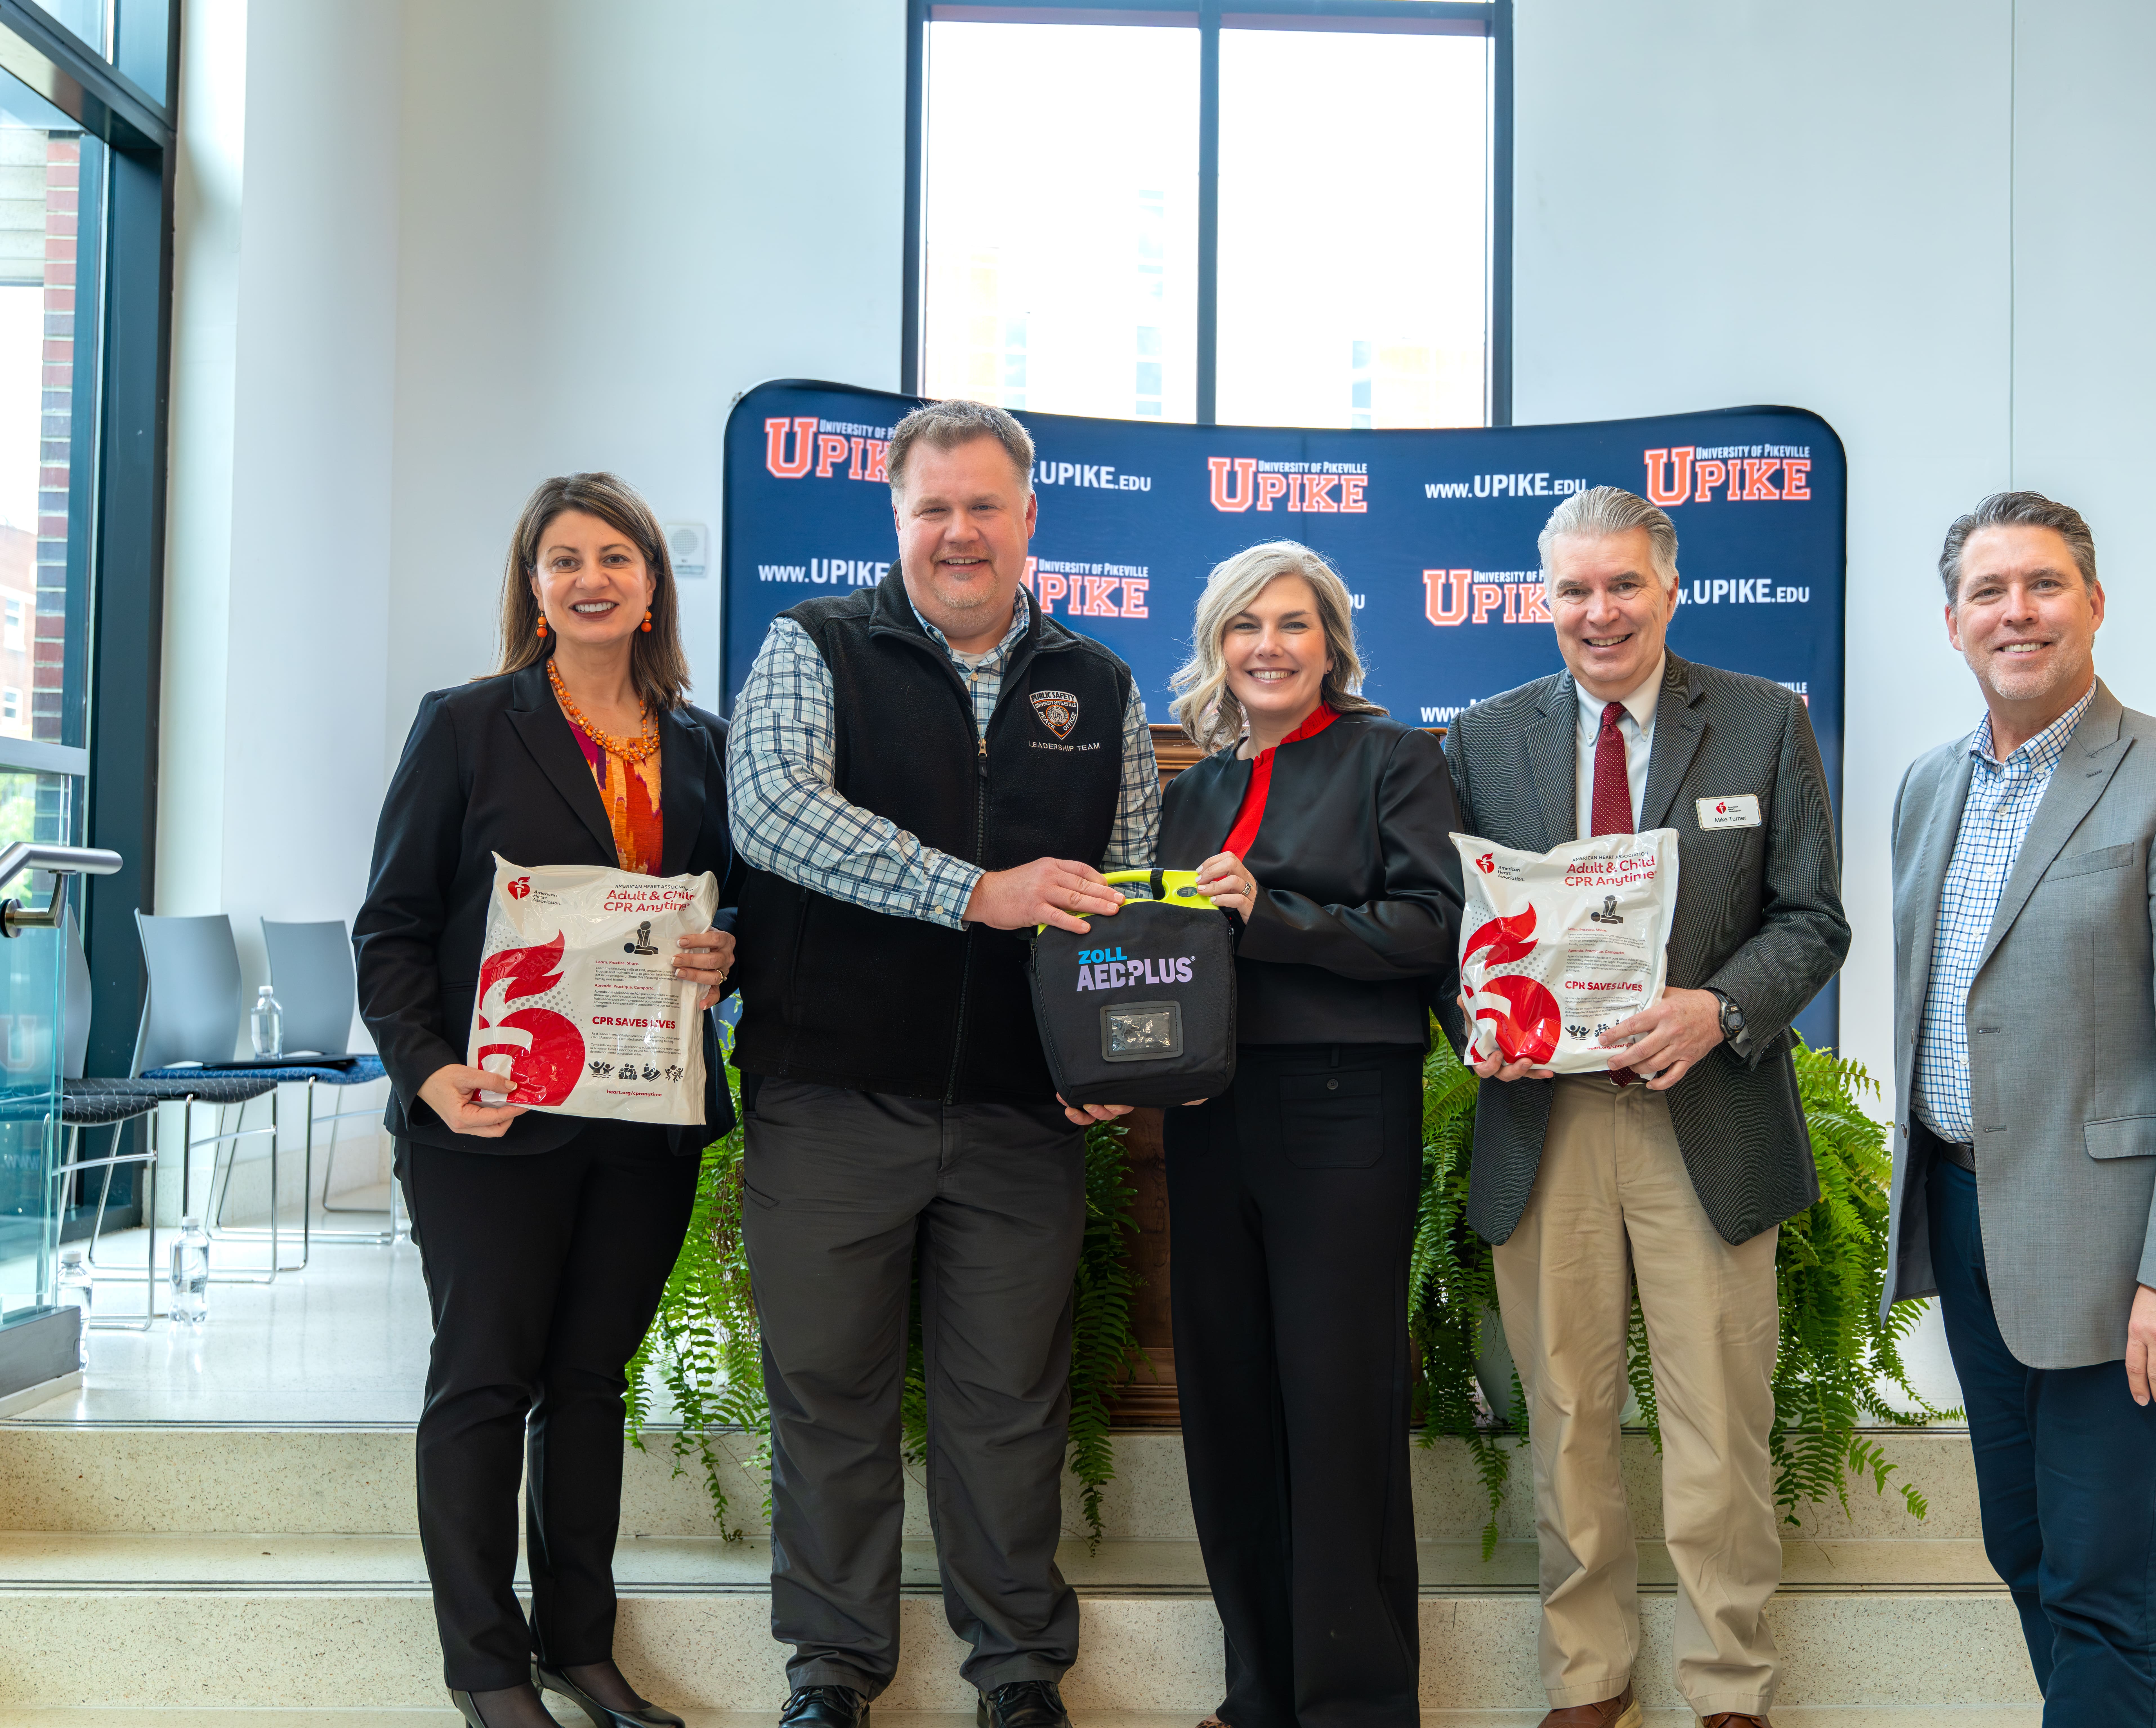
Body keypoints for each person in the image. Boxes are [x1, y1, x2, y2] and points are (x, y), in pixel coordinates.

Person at [725, 399, 1161, 1728]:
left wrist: (1114, 1052)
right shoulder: (813, 647)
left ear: (1032, 520)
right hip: (829, 1100)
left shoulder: (1099, 682)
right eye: (933, 508)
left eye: (984, 506)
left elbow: (1132, 888)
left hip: (1021, 1117)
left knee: (1009, 1406)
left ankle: (1019, 1668)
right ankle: (833, 1670)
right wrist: (977, 891)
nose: (959, 532)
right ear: (895, 517)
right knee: (829, 1398)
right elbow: (771, 809)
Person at [1441, 487, 1847, 1728]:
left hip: (1703, 1117)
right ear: (1543, 598)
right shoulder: (1484, 735)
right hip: (1543, 1124)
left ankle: (1728, 1681)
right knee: (1564, 1411)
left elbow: (1811, 918)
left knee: (1717, 1413)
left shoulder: (1766, 721)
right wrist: (1476, 1024)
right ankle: (1589, 1676)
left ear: (1671, 589)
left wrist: (1717, 1009)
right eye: (1573, 589)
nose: (1598, 612)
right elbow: (1447, 934)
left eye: (1622, 585)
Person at [1883, 490, 2156, 1724]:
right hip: (1966, 1214)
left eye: (2044, 584)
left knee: (2108, 1580)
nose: (2018, 611)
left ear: (2094, 605)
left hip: (2123, 1249)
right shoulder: (1923, 787)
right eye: (1989, 591)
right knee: (2027, 1549)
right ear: (1951, 623)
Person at [356, 473, 740, 1728]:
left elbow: (737, 911)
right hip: (492, 1115)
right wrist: (425, 1066)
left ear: (650, 585)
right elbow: (394, 925)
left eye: (615, 556)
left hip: (645, 1114)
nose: (591, 577)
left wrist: (727, 946)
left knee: (589, 1381)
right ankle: (485, 1666)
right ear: (535, 586)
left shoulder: (703, 744)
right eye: (563, 557)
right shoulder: (467, 724)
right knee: (482, 1379)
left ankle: (584, 1647)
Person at [1156, 541, 1462, 1728]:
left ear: (1331, 642)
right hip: (1207, 1109)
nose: (1268, 646)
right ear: (1217, 647)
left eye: (1292, 624)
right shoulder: (1190, 788)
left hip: (1343, 1107)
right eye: (1245, 626)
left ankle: (1359, 1702)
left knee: (1337, 1401)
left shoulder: (1393, 759)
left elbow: (1429, 927)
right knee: (1227, 1400)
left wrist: (1269, 914)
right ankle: (1260, 1691)